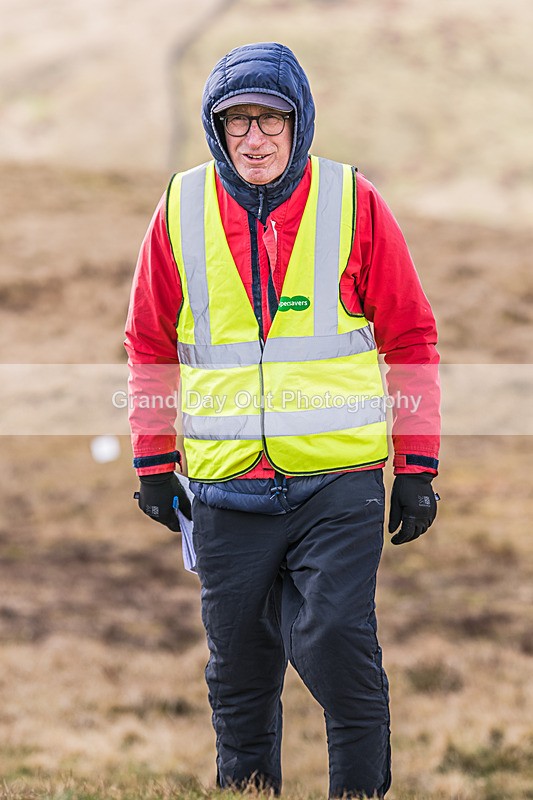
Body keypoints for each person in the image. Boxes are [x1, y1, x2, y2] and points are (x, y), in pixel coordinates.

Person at [125, 42, 440, 799]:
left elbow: (410, 337)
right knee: (237, 671)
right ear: (215, 130)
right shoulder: (180, 206)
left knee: (334, 640)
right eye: (236, 123)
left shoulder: (353, 201)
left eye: (270, 119)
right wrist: (152, 460)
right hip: (226, 489)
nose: (254, 138)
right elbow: (148, 342)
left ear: (299, 124)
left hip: (339, 483)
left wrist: (418, 467)